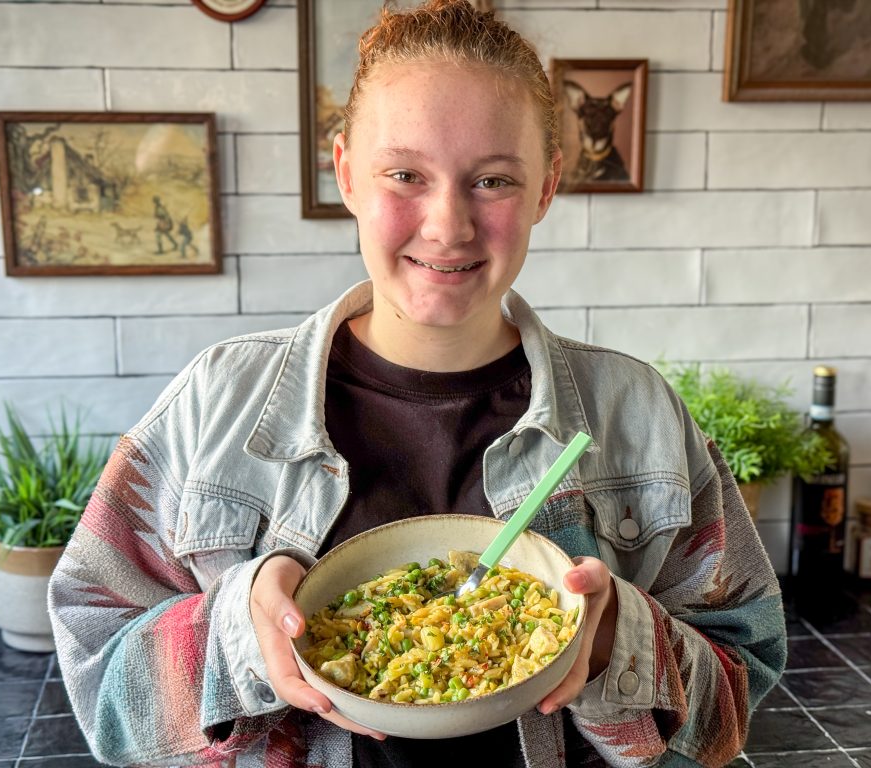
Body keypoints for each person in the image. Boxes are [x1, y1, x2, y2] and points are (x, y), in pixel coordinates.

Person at [48, 2, 786, 767]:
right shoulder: (214, 400)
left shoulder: (637, 412)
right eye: (405, 174)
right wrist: (238, 632)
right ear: (345, 175)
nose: (447, 225)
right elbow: (101, 685)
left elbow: (739, 690)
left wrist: (617, 643)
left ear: (545, 189)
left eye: (492, 180)